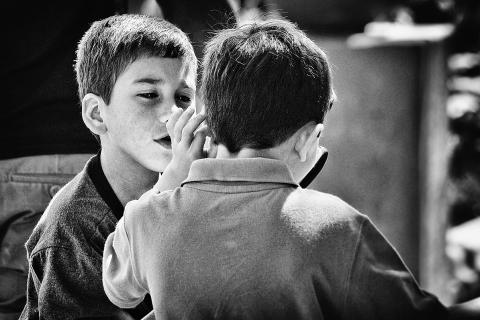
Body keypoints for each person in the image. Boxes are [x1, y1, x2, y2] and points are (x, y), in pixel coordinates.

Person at [102, 18, 480, 319]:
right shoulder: (334, 226)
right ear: (307, 139)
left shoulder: (150, 219)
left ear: (207, 125)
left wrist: (170, 181)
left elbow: (118, 286)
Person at [20, 14, 207, 319]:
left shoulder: (194, 189)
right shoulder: (70, 229)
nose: (172, 114)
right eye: (149, 95)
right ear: (97, 114)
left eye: (183, 98)